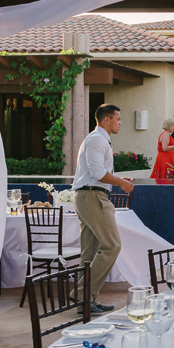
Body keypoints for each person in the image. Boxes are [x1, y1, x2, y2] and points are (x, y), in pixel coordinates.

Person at [71, 104, 135, 314]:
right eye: (118, 119)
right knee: (112, 246)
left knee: (90, 251)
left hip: (88, 195)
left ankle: (86, 300)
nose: (120, 123)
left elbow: (98, 172)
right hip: (92, 196)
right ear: (106, 120)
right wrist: (120, 183)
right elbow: (97, 172)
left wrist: (117, 179)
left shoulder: (98, 139)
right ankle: (81, 295)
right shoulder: (97, 139)